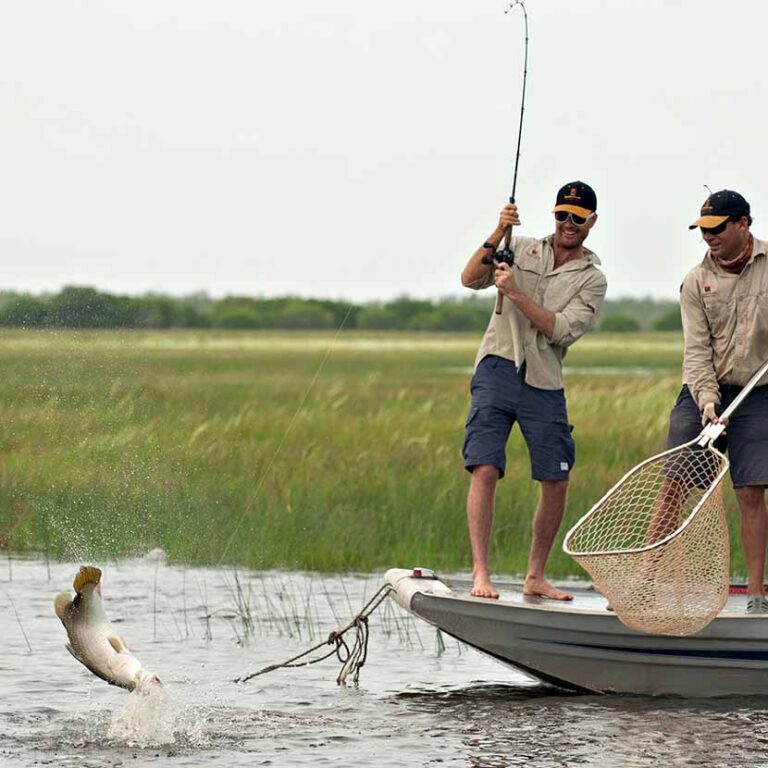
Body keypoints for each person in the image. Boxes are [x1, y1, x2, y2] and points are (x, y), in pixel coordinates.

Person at [460, 181, 608, 599]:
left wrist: (514, 293)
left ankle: (535, 576)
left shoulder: (593, 280)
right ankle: (480, 574)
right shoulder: (519, 245)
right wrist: (496, 231)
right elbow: (470, 279)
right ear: (554, 214)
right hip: (497, 364)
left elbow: (561, 329)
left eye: (577, 218)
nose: (567, 223)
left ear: (591, 222)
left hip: (544, 380)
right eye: (562, 214)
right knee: (485, 466)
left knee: (556, 479)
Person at [665, 189, 768, 613]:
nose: (708, 237)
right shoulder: (695, 280)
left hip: (759, 392)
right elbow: (696, 352)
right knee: (673, 482)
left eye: (716, 228)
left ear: (743, 224)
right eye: (703, 230)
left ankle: (757, 595)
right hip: (705, 389)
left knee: (750, 490)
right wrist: (707, 401)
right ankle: (646, 581)